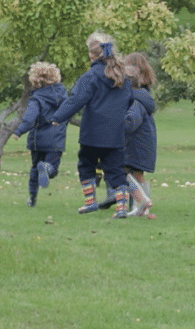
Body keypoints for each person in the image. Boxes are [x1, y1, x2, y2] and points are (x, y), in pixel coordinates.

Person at [49, 31, 132, 216]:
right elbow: (129, 100)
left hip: (93, 133)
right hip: (116, 133)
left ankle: (90, 202)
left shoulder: (91, 77)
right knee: (116, 170)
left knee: (86, 165)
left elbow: (76, 100)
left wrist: (58, 117)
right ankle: (122, 208)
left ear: (91, 55)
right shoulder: (123, 78)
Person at [10, 62, 68, 208]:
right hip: (56, 139)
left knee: (35, 169)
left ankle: (32, 198)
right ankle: (47, 167)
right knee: (52, 169)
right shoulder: (64, 95)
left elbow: (30, 117)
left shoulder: (37, 98)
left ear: (35, 79)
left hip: (38, 139)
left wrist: (19, 131)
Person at [122, 52, 158, 219]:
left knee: (119, 171)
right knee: (138, 175)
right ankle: (143, 209)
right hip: (145, 141)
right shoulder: (144, 95)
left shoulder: (137, 99)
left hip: (136, 142)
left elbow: (131, 122)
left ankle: (141, 201)